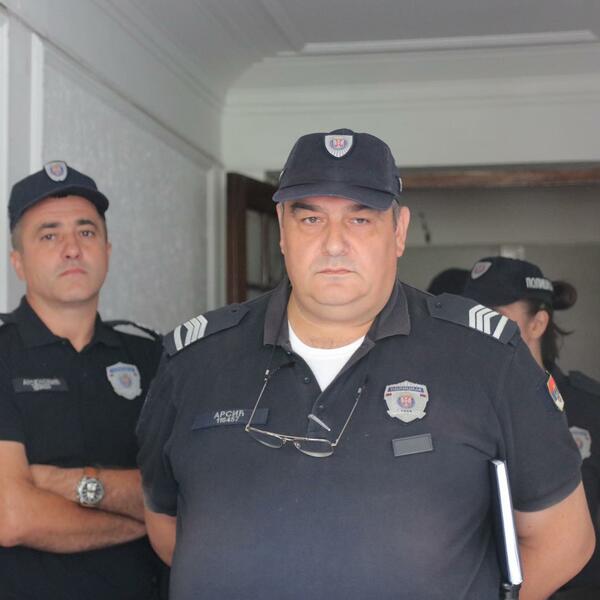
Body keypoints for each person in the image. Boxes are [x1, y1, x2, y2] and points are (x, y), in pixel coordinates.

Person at [137, 129, 594, 600]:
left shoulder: (486, 358)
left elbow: (563, 541)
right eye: (311, 219)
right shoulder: (194, 361)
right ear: (282, 230)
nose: (334, 244)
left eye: (360, 219)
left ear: (398, 231)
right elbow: (170, 528)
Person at [0, 161, 166, 599]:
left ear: (107, 250)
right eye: (49, 235)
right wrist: (141, 520)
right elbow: (12, 516)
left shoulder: (154, 358)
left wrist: (61, 483)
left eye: (86, 232)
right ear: (18, 262)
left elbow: (188, 498)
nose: (72, 249)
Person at [463, 256, 600, 599]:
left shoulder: (590, 407)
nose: (479, 330)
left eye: (494, 318)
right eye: (471, 318)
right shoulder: (455, 409)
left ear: (538, 324)